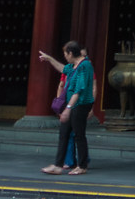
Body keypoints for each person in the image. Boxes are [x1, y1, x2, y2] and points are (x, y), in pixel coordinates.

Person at [37, 41, 94, 177]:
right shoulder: (75, 65)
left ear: (71, 53)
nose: (65, 57)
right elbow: (64, 69)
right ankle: (58, 165)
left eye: (65, 54)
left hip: (80, 104)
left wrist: (68, 109)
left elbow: (78, 90)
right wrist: (50, 59)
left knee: (79, 134)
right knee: (64, 133)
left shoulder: (84, 66)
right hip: (73, 104)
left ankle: (82, 165)